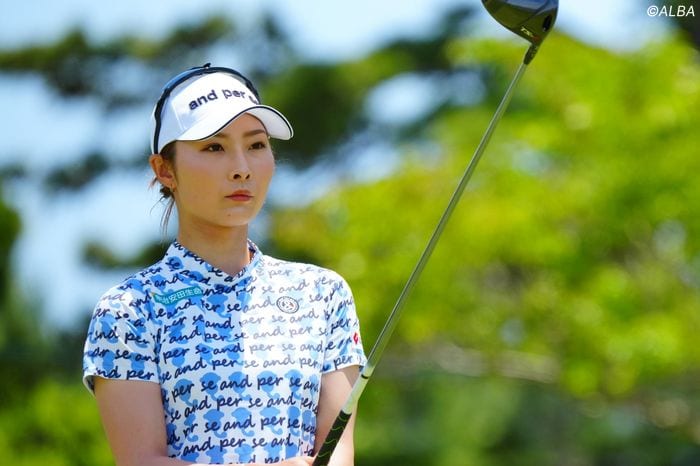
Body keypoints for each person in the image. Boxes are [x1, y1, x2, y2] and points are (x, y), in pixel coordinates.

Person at [82, 64, 367, 466]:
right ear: (164, 170)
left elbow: (337, 453)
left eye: (256, 145)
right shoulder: (129, 309)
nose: (241, 168)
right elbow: (141, 461)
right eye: (214, 148)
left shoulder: (322, 293)